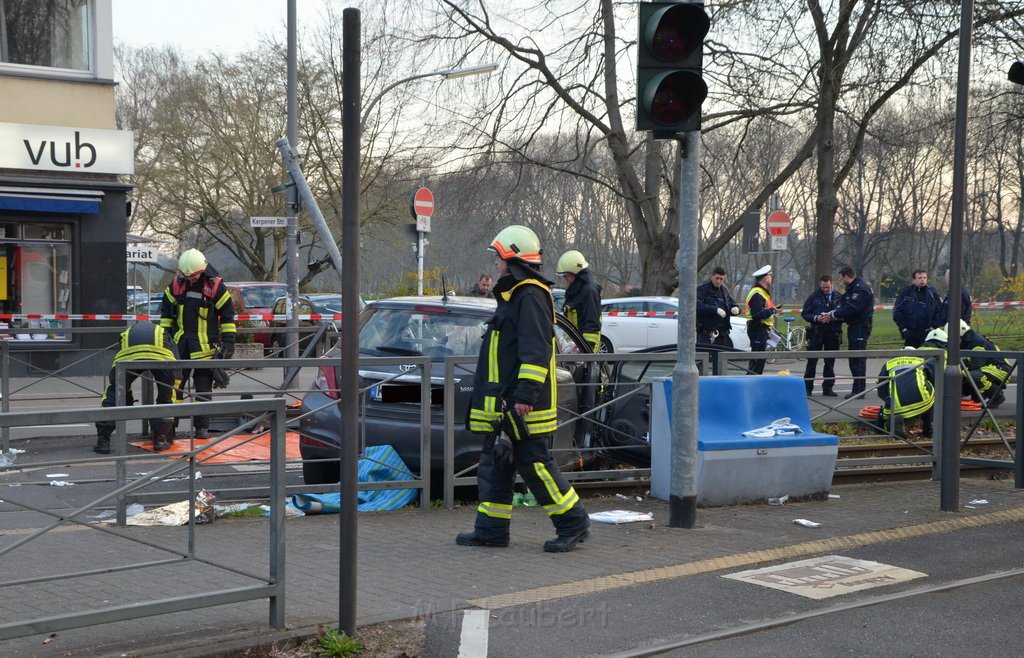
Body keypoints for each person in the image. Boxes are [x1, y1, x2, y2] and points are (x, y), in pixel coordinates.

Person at [457, 225, 590, 553]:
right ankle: (491, 530)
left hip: (521, 402)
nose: (496, 265)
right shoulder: (517, 292)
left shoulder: (529, 295)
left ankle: (573, 522)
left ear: (512, 258)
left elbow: (536, 350)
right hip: (507, 399)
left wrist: (524, 396)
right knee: (496, 463)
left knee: (535, 464)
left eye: (499, 258)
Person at [160, 248, 236, 439]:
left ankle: (201, 429)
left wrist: (229, 343)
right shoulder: (175, 286)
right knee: (174, 389)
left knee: (203, 391)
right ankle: (170, 428)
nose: (190, 280)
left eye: (193, 276)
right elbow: (166, 317)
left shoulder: (217, 287)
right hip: (179, 348)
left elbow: (227, 317)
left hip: (205, 350)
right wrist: (164, 341)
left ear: (202, 270)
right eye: (186, 276)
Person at [94, 323, 182, 453]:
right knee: (166, 396)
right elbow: (177, 367)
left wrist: (126, 398)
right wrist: (174, 387)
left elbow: (116, 371)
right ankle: (161, 439)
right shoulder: (165, 334)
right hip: (161, 356)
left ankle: (103, 441)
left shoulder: (127, 332)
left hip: (128, 357)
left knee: (114, 394)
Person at [823, 266, 874, 398]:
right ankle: (857, 389)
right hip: (855, 326)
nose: (841, 281)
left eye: (841, 278)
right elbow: (845, 304)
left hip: (860, 327)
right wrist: (834, 312)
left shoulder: (859, 289)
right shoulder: (853, 288)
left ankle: (859, 391)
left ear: (846, 276)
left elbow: (851, 308)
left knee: (857, 359)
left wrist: (833, 314)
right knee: (854, 359)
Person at [876, 342, 938, 439]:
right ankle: (929, 428)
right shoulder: (922, 361)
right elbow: (934, 380)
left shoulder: (889, 363)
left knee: (887, 403)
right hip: (923, 404)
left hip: (896, 407)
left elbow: (881, 387)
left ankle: (889, 424)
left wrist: (889, 401)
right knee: (929, 386)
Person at [954, 320, 1011, 408]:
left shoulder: (977, 342)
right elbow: (969, 363)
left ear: (960, 336)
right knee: (966, 375)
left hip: (1001, 369)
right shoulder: (970, 341)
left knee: (972, 376)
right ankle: (980, 396)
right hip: (989, 368)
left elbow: (976, 365)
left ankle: (997, 397)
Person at [801, 275, 842, 396]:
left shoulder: (838, 297)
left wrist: (832, 318)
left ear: (832, 284)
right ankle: (808, 388)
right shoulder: (813, 297)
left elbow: (844, 313)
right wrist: (816, 318)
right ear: (820, 285)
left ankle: (828, 388)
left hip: (833, 332)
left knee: (830, 361)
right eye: (823, 287)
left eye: (827, 287)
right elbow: (805, 314)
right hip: (817, 332)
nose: (825, 289)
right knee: (812, 360)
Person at [556, 250, 602, 352]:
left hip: (584, 347)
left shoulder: (589, 291)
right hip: (576, 343)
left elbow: (592, 324)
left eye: (566, 274)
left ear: (576, 272)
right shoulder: (575, 290)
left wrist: (585, 350)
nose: (564, 277)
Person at [892, 269, 942, 347]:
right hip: (911, 332)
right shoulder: (906, 292)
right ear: (913, 280)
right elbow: (897, 312)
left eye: (924, 278)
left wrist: (933, 327)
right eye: (920, 278)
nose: (922, 280)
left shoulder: (932, 293)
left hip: (928, 332)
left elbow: (939, 311)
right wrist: (904, 329)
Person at [745, 264, 779, 375]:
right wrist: (772, 311)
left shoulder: (761, 292)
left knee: (759, 361)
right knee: (757, 362)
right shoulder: (757, 294)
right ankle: (752, 383)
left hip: (760, 329)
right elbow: (757, 314)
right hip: (757, 328)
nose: (771, 278)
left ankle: (754, 383)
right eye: (770, 276)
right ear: (765, 278)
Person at [696, 266, 740, 348]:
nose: (718, 281)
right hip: (707, 332)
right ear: (712, 276)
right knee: (705, 358)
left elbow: (731, 302)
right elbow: (697, 306)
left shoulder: (724, 291)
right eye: (717, 278)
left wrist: (736, 308)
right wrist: (714, 310)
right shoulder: (703, 290)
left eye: (721, 279)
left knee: (721, 358)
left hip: (723, 333)